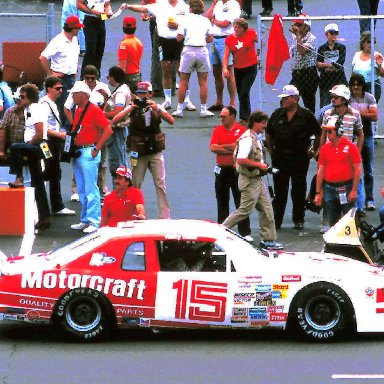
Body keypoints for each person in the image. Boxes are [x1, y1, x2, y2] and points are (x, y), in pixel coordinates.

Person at [112, 81, 174, 219]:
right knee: (135, 183)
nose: (142, 96)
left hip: (155, 151)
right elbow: (115, 119)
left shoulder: (156, 107)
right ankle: (133, 213)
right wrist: (130, 108)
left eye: (144, 93)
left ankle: (165, 215)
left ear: (150, 94)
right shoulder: (132, 107)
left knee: (160, 183)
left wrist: (157, 109)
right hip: (138, 151)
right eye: (139, 93)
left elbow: (171, 120)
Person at [223, 111, 283, 250]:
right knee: (244, 210)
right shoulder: (248, 139)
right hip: (249, 181)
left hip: (257, 179)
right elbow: (241, 159)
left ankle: (268, 240)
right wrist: (259, 165)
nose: (265, 125)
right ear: (255, 123)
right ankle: (220, 231)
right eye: (263, 123)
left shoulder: (254, 137)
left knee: (267, 209)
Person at [265, 85, 321, 230]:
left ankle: (298, 219)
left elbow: (319, 133)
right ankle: (276, 220)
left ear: (295, 99)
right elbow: (269, 132)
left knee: (299, 189)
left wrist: (314, 150)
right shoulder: (277, 114)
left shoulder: (306, 115)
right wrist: (271, 150)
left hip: (299, 157)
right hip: (280, 158)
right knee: (280, 190)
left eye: (286, 98)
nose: (283, 100)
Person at [123, 0, 195, 111]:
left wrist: (178, 25)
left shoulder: (184, 6)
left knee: (182, 73)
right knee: (165, 70)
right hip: (163, 42)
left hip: (178, 42)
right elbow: (144, 8)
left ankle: (187, 100)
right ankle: (167, 100)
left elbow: (191, 24)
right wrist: (128, 6)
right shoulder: (159, 5)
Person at [69, 81, 112, 233]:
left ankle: (94, 221)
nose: (72, 96)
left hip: (88, 151)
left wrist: (97, 147)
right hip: (81, 151)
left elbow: (108, 129)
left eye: (75, 94)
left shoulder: (93, 110)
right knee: (82, 188)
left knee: (90, 188)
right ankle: (86, 219)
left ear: (83, 95)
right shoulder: (79, 109)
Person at [8, 84, 51, 230]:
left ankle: (18, 178)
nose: (20, 100)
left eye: (22, 97)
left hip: (39, 145)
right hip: (39, 146)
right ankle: (44, 217)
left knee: (15, 147)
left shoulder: (35, 109)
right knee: (37, 182)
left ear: (29, 97)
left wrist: (26, 149)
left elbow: (39, 134)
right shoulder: (28, 110)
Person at [64, 65, 111, 199]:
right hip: (83, 134)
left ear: (97, 77)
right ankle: (75, 190)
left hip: (98, 130)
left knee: (101, 161)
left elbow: (109, 109)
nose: (90, 81)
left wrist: (106, 97)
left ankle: (101, 189)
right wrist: (75, 126)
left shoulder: (103, 88)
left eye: (92, 78)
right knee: (77, 159)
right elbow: (67, 108)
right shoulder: (78, 89)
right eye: (87, 78)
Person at [321, 84, 365, 217]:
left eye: (336, 97)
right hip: (330, 154)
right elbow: (323, 133)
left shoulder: (355, 114)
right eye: (332, 97)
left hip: (347, 154)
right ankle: (328, 218)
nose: (333, 99)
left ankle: (357, 211)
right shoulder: (327, 114)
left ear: (344, 99)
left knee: (353, 181)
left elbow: (360, 133)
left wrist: (357, 151)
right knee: (327, 184)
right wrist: (321, 150)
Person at [210, 106, 251, 240]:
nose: (221, 119)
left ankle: (245, 232)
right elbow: (213, 147)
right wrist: (232, 148)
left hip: (237, 171)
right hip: (221, 171)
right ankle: (223, 231)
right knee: (222, 202)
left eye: (224, 116)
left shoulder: (242, 130)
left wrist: (223, 147)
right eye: (220, 116)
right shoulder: (218, 130)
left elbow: (240, 147)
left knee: (241, 202)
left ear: (232, 117)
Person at [39, 77, 75, 216]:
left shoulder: (52, 103)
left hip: (52, 142)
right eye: (57, 88)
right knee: (50, 171)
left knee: (54, 171)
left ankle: (56, 205)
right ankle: (51, 203)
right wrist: (59, 135)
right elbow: (42, 128)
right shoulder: (44, 105)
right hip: (46, 143)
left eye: (61, 88)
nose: (61, 91)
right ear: (49, 89)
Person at [172, 0, 214, 118]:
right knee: (203, 82)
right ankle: (204, 109)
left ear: (190, 9)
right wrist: (200, 40)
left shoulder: (184, 20)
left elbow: (179, 38)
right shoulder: (206, 21)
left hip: (188, 51)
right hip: (202, 51)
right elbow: (210, 38)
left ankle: (179, 109)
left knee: (183, 81)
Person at [314, 123, 361, 227]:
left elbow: (357, 169)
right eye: (326, 131)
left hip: (346, 187)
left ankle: (352, 241)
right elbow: (321, 170)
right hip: (329, 188)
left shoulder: (351, 147)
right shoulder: (325, 149)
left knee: (350, 220)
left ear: (339, 131)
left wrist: (354, 190)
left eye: (330, 131)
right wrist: (318, 193)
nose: (327, 134)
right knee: (333, 221)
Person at [39, 15, 84, 124]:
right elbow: (43, 57)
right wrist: (50, 75)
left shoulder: (74, 40)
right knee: (62, 109)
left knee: (71, 107)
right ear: (72, 28)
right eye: (77, 28)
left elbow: (74, 55)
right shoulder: (58, 41)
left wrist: (75, 69)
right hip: (61, 79)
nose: (79, 30)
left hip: (71, 79)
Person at [205, 0, 240, 112]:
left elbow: (225, 24)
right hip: (215, 40)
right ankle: (219, 101)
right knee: (216, 71)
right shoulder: (218, 3)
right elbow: (207, 16)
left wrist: (213, 21)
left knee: (228, 71)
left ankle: (232, 103)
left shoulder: (234, 4)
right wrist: (214, 4)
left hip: (226, 40)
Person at [349, 73, 377, 211]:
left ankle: (370, 199)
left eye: (358, 84)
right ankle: (357, 201)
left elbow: (375, 116)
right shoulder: (347, 98)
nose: (355, 87)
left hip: (367, 136)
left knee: (368, 169)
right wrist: (364, 113)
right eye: (353, 84)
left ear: (362, 85)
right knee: (355, 168)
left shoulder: (369, 97)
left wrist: (357, 114)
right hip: (352, 136)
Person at [223, 18, 258, 124]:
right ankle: (246, 116)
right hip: (238, 68)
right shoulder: (229, 39)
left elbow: (260, 41)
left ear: (244, 29)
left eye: (239, 28)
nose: (236, 29)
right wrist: (225, 68)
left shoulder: (251, 33)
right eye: (235, 27)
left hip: (251, 67)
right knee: (240, 92)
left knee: (244, 92)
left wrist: (259, 52)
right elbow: (226, 55)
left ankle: (245, 117)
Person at [103, 66, 131, 175]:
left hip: (118, 131)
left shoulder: (120, 93)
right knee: (117, 162)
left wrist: (102, 114)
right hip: (117, 131)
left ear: (113, 78)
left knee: (119, 163)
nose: (108, 79)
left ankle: (123, 189)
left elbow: (117, 112)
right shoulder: (122, 88)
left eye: (108, 77)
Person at [289, 13, 319, 114]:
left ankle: (310, 126)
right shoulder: (294, 36)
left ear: (306, 27)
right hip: (297, 73)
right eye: (295, 24)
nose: (296, 27)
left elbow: (302, 50)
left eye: (299, 25)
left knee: (309, 103)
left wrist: (297, 35)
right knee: (288, 98)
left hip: (308, 73)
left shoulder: (312, 38)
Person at [77, 0, 114, 77]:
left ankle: (96, 76)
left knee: (99, 50)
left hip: (101, 20)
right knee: (91, 51)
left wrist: (108, 11)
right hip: (90, 20)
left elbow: (107, 5)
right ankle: (84, 76)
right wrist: (92, 12)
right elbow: (79, 5)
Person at [316, 23, 347, 108]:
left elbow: (340, 63)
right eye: (332, 33)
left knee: (342, 103)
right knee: (324, 105)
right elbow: (318, 65)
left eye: (336, 33)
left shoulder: (342, 47)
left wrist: (325, 65)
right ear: (326, 34)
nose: (334, 35)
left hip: (339, 79)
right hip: (325, 81)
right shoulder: (321, 48)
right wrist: (330, 66)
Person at [352, 31, 384, 104]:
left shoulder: (377, 55)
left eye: (373, 42)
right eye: (369, 42)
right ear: (363, 43)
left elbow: (383, 74)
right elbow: (353, 72)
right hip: (358, 86)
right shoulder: (357, 55)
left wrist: (379, 65)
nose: (371, 44)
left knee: (369, 111)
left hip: (372, 86)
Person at [118, 16, 143, 92]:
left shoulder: (123, 44)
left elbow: (122, 65)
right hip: (137, 75)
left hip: (127, 77)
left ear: (123, 27)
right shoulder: (138, 42)